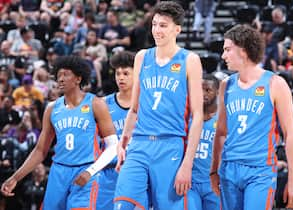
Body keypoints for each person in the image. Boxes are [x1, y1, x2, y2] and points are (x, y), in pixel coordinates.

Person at [114, 1, 203, 209]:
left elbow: (197, 115)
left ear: (177, 29)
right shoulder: (142, 57)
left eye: (163, 25)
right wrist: (123, 143)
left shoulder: (190, 60)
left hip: (171, 145)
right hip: (139, 144)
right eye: (154, 24)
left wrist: (188, 163)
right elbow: (135, 108)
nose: (156, 30)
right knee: (123, 205)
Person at [0, 56, 118, 210]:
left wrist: (91, 171)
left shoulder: (95, 104)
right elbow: (40, 150)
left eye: (66, 74)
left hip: (86, 170)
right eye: (59, 75)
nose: (60, 79)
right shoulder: (51, 108)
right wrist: (16, 177)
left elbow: (113, 145)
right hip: (58, 172)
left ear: (78, 78)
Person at [210, 24, 293, 210]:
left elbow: (291, 135)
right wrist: (213, 171)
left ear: (243, 50)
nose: (223, 56)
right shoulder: (226, 85)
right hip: (229, 169)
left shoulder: (275, 83)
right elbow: (220, 133)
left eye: (227, 50)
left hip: (260, 171)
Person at [97, 51, 135, 210]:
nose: (121, 77)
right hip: (108, 174)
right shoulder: (103, 104)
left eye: (126, 73)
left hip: (136, 172)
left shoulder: (147, 103)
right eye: (118, 73)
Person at [190, 74, 220, 210]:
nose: (202, 94)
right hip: (190, 182)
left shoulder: (224, 119)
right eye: (200, 89)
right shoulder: (188, 117)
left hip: (213, 183)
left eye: (208, 90)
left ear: (217, 92)